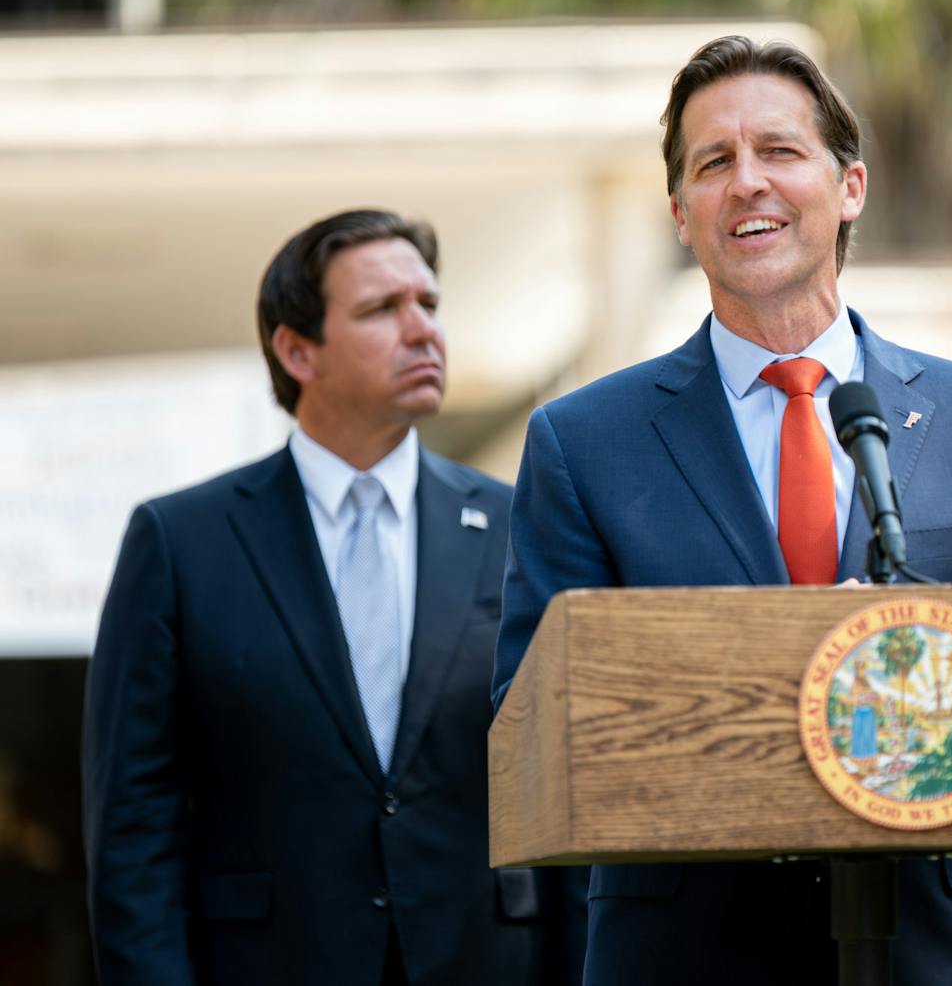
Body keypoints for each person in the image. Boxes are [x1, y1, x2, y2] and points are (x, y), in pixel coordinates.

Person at [492, 36, 952, 985]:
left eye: (779, 151)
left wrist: (892, 670)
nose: (748, 182)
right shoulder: (583, 442)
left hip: (929, 952)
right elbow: (531, 723)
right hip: (685, 956)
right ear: (681, 214)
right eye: (714, 163)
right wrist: (781, 674)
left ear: (849, 186)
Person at [83, 210, 581, 985]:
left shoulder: (521, 524)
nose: (423, 330)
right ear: (296, 349)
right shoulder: (180, 542)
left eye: (429, 303)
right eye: (383, 309)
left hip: (487, 959)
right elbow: (132, 830)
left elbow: (570, 781)